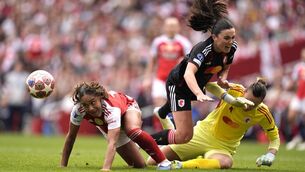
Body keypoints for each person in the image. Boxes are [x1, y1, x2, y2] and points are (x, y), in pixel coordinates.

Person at [152, 0, 238, 145]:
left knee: (186, 136)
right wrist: (199, 93)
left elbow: (226, 67)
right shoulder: (203, 50)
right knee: (183, 136)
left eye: (233, 37)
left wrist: (223, 78)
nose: (230, 42)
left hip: (195, 85)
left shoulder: (231, 48)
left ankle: (161, 112)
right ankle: (143, 141)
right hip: (178, 85)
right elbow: (188, 73)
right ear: (214, 37)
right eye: (226, 38)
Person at [147, 78, 280, 169]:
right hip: (201, 135)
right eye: (248, 101)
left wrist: (270, 154)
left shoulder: (263, 112)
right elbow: (208, 85)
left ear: (261, 102)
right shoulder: (236, 90)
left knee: (226, 162)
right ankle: (168, 124)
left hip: (223, 147)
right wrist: (230, 98)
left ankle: (181, 165)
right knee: (152, 162)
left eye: (254, 104)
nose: (248, 107)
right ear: (244, 92)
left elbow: (274, 137)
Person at [60, 81, 171, 171]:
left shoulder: (111, 108)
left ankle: (163, 162)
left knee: (132, 131)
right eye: (85, 105)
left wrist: (106, 168)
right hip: (108, 124)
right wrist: (63, 166)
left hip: (128, 108)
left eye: (93, 102)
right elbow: (71, 137)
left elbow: (112, 142)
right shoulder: (78, 110)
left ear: (99, 97)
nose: (90, 108)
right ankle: (138, 143)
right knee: (139, 165)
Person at [143, 17, 192, 130]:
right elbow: (152, 61)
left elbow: (190, 62)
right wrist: (147, 78)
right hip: (160, 79)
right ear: (165, 27)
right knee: (158, 107)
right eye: (169, 26)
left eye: (174, 26)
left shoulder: (184, 43)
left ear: (178, 27)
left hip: (176, 80)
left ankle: (172, 133)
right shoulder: (158, 42)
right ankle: (160, 134)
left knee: (173, 107)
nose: (171, 28)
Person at [286, 48, 305, 151]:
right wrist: (290, 86)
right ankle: (297, 136)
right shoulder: (298, 67)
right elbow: (294, 81)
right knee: (291, 116)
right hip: (298, 95)